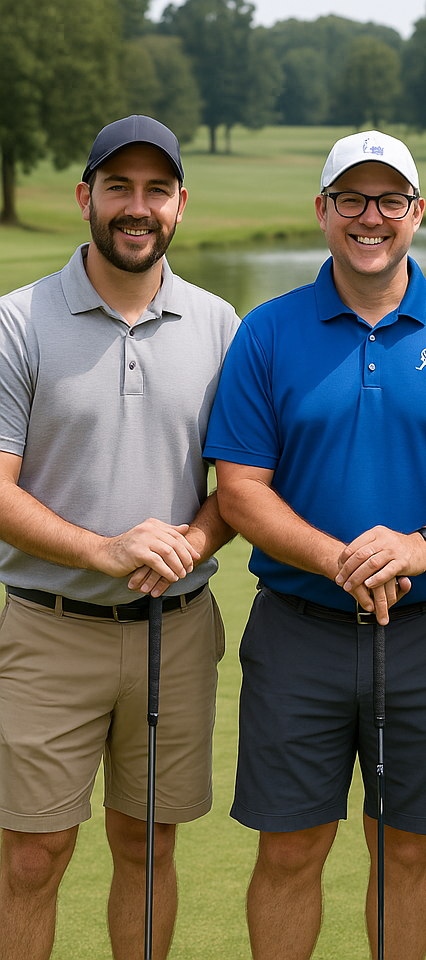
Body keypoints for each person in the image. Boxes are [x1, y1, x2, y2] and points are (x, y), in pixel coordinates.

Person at [204, 129, 426, 960]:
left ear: (416, 212)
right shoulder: (266, 333)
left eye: (389, 201)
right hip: (298, 628)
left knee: (406, 846)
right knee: (291, 847)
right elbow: (241, 489)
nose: (370, 218)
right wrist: (337, 559)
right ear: (324, 210)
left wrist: (422, 545)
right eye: (352, 200)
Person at [0, 115, 239, 960]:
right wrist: (102, 549)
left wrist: (193, 540)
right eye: (118, 188)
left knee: (147, 848)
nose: (137, 208)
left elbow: (236, 489)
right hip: (46, 628)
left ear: (179, 204)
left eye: (156, 190)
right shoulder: (18, 321)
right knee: (32, 854)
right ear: (85, 197)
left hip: (173, 633)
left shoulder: (220, 325)